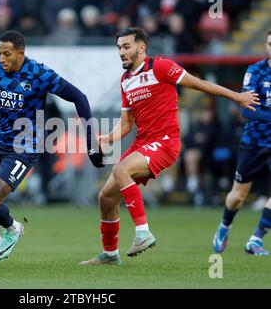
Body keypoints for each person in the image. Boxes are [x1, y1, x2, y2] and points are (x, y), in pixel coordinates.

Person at [79, 27, 259, 265]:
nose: (121, 52)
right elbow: (126, 124)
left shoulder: (161, 67)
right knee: (106, 198)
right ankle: (111, 255)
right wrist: (106, 139)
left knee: (120, 169)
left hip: (164, 142)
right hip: (142, 143)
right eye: (119, 48)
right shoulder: (126, 80)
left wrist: (237, 96)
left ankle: (143, 232)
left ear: (141, 47)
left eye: (126, 46)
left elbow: (199, 84)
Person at [0, 30, 104, 269]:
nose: (1, 58)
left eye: (7, 54)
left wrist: (91, 141)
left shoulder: (38, 73)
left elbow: (79, 98)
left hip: (25, 145)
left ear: (21, 53)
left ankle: (13, 228)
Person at [213, 29, 271, 256]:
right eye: (268, 43)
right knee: (238, 196)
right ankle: (225, 225)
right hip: (255, 141)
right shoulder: (256, 71)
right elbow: (246, 111)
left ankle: (256, 239)